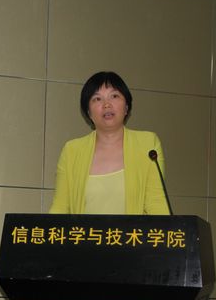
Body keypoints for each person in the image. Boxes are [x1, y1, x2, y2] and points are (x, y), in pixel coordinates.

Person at [49, 71, 170, 215]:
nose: (106, 105)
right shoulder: (72, 151)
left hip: (133, 231)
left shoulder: (147, 144)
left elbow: (156, 204)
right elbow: (60, 208)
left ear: (126, 107)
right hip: (85, 231)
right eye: (97, 99)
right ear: (89, 113)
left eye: (114, 96)